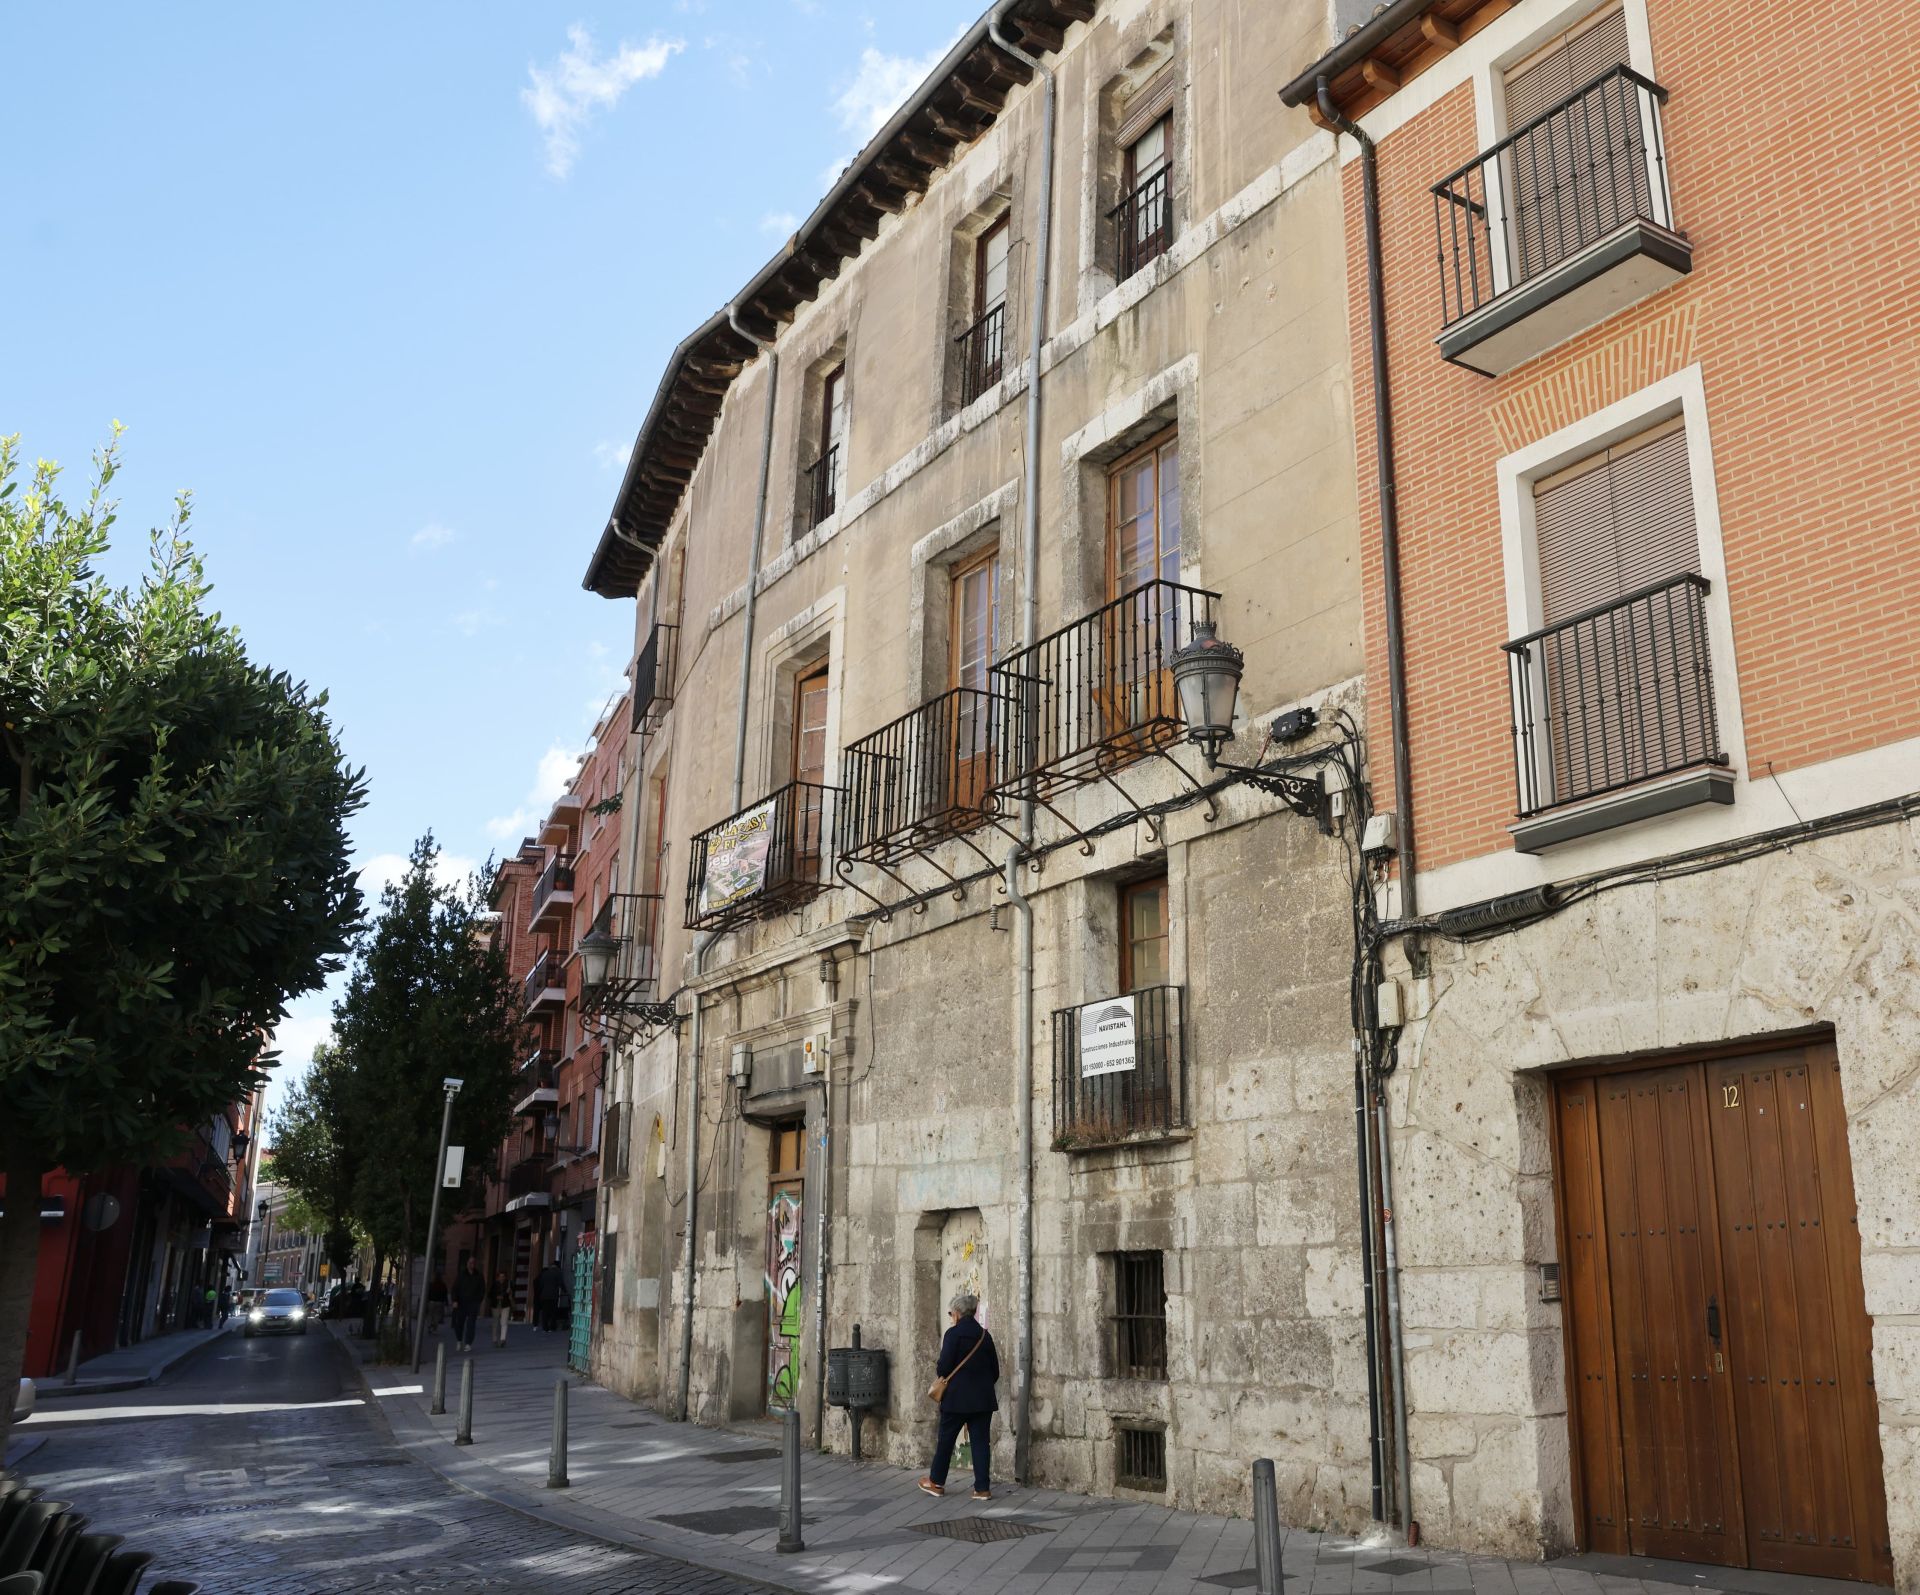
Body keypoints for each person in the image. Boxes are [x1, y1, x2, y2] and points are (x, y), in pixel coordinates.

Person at [919, 1292, 999, 1501]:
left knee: (946, 1440)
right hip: (983, 1399)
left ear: (957, 1313)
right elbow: (995, 1370)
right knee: (981, 1442)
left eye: (950, 1313)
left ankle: (936, 1482)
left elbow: (944, 1367)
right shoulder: (984, 1335)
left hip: (956, 1399)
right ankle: (982, 1488)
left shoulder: (953, 1335)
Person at [451, 1258, 485, 1352]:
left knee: (471, 1324)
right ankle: (459, 1340)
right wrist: (454, 1300)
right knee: (459, 1323)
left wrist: (478, 1300)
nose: (472, 1264)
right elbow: (455, 1288)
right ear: (467, 1264)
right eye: (470, 1263)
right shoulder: (461, 1275)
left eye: (473, 1263)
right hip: (461, 1303)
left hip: (473, 1303)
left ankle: (468, 1343)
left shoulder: (479, 1275)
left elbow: (482, 1289)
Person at [533, 1260, 565, 1333]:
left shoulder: (545, 1273)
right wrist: (565, 1291)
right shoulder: (558, 1273)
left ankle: (545, 1327)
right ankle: (552, 1326)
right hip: (553, 1295)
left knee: (545, 1312)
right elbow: (561, 1283)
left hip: (544, 1295)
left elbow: (541, 1284)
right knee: (553, 1311)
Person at [487, 1269, 512, 1348]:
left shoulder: (508, 1284)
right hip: (496, 1305)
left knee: (504, 1322)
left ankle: (502, 1339)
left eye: (503, 1276)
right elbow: (490, 1294)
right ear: (497, 1277)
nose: (502, 1278)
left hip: (505, 1305)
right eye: (500, 1276)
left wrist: (509, 1292)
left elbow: (511, 1293)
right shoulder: (494, 1284)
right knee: (495, 1322)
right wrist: (497, 1297)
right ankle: (494, 1339)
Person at [426, 1271, 448, 1336]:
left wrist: (427, 1300)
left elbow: (428, 1293)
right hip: (439, 1302)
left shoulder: (431, 1284)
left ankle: (429, 1325)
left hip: (432, 1301)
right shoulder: (443, 1285)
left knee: (430, 1314)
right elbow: (445, 1294)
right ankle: (434, 1328)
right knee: (436, 1316)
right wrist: (446, 1302)